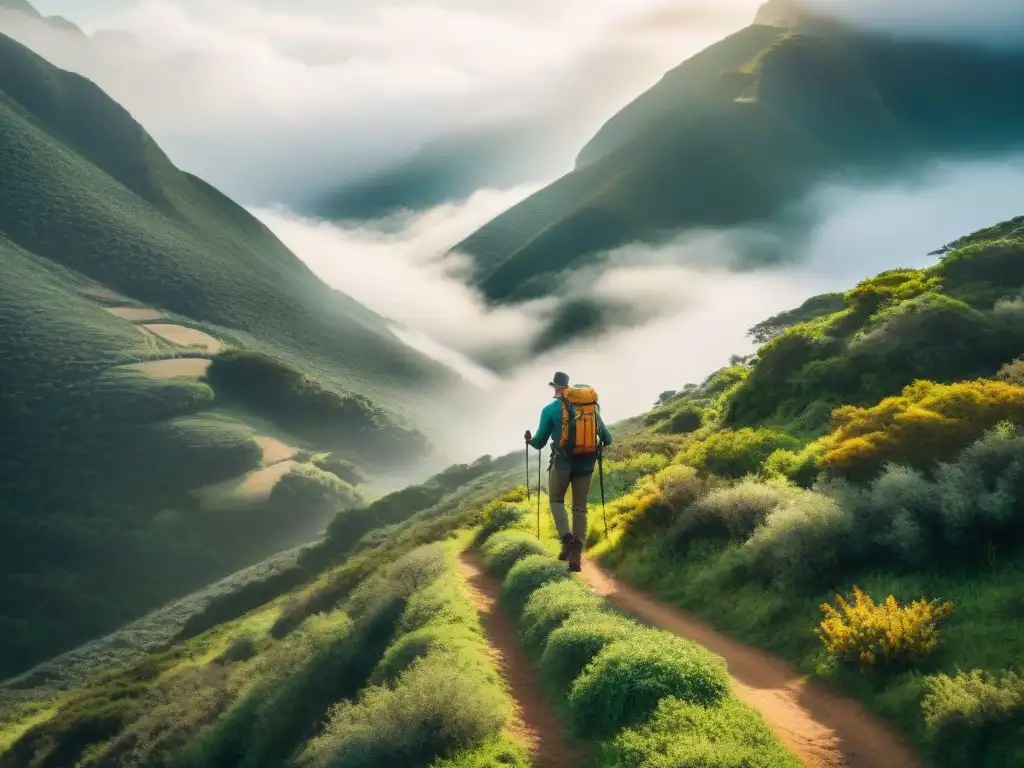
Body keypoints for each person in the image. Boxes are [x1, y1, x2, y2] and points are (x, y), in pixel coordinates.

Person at [524, 371, 612, 572]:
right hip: (586, 464)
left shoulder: (550, 409)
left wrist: (529, 440)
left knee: (556, 501)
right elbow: (608, 438)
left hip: (563, 462)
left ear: (556, 387)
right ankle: (575, 552)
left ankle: (567, 539)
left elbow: (539, 442)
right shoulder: (591, 408)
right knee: (580, 508)